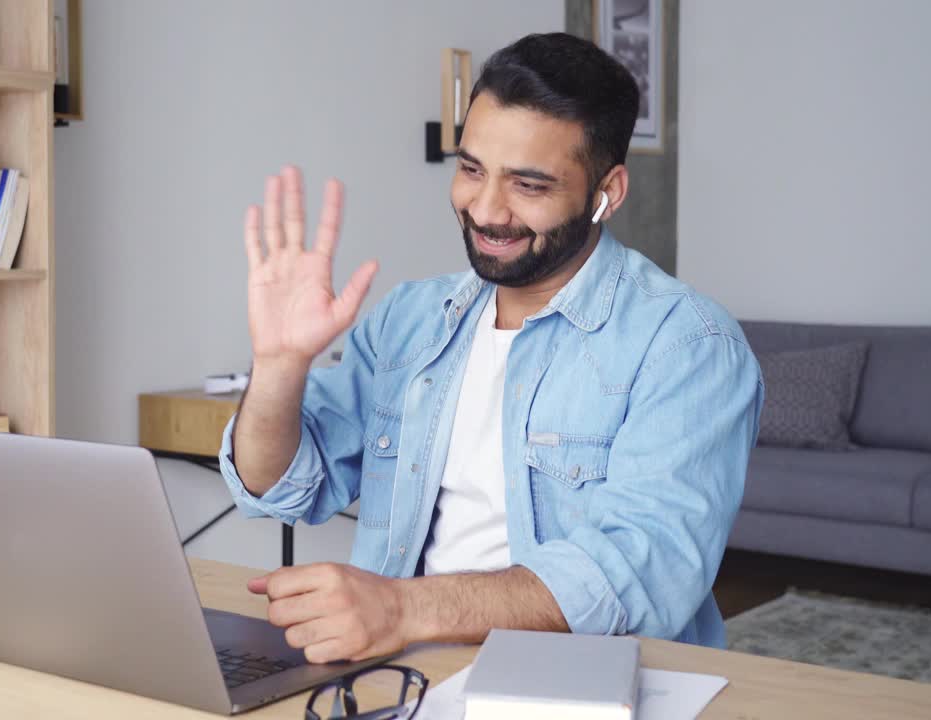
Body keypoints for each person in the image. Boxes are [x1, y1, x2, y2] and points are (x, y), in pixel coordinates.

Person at [219, 33, 764, 664]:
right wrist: (280, 368)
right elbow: (280, 486)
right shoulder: (410, 318)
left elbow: (640, 571)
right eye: (472, 170)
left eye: (528, 185)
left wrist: (402, 609)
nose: (485, 209)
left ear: (607, 193)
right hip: (398, 672)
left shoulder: (688, 345)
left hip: (582, 687)